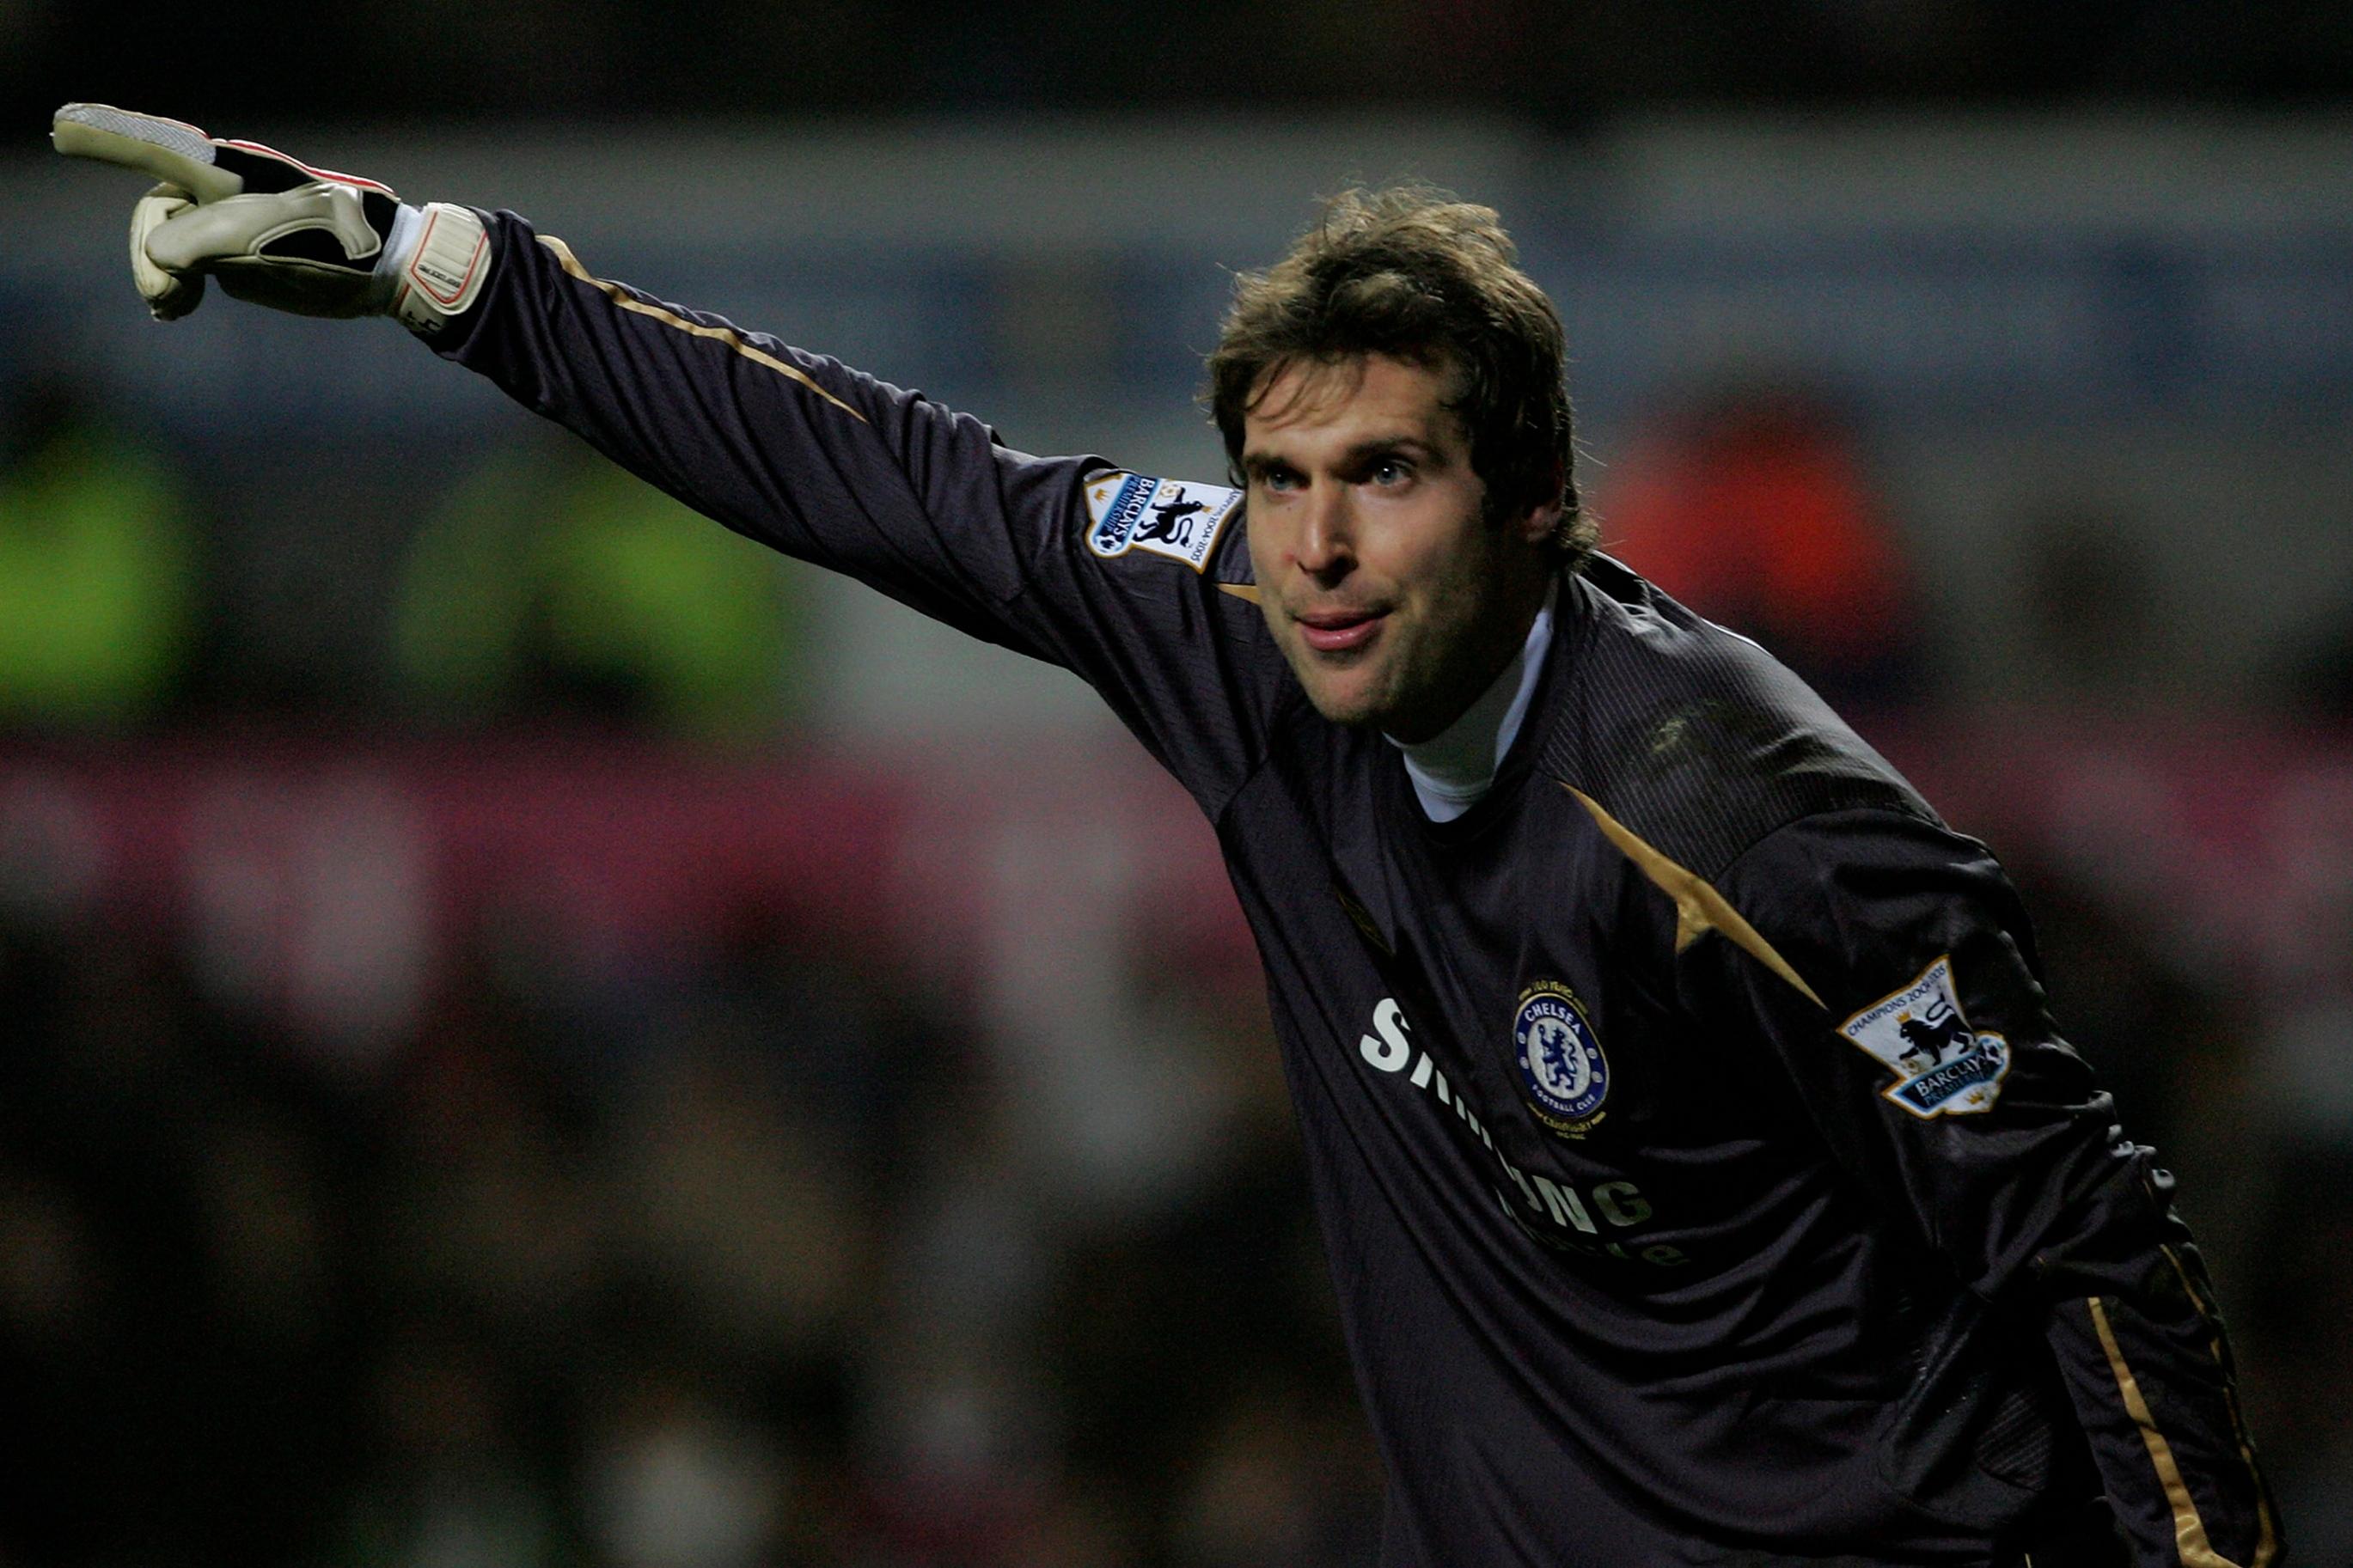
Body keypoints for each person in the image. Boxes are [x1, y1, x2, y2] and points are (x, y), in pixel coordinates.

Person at [52, 104, 2281, 1567]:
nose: (1314, 547)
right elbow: (883, 475)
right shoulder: (1240, 630)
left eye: (1384, 477)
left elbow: (2084, 1240)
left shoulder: (1745, 821)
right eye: (1278, 479)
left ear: (1531, 505)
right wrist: (450, 273)